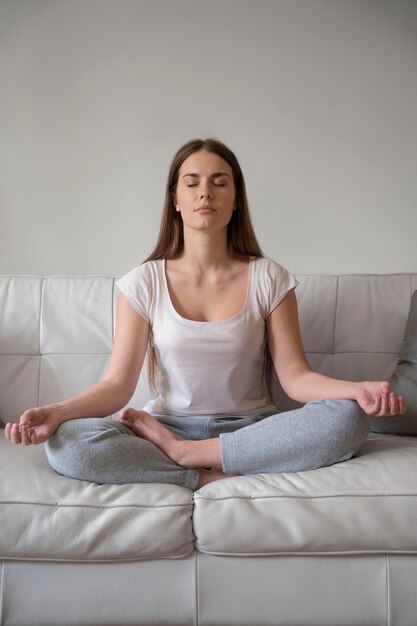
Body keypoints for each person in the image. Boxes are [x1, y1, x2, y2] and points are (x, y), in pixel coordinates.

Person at [5, 138, 406, 490]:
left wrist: (355, 391)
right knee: (69, 444)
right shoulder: (142, 282)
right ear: (175, 200)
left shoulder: (269, 277)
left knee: (348, 419)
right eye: (192, 183)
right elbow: (116, 386)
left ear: (235, 200)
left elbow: (296, 379)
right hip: (165, 427)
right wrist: (55, 414)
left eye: (220, 182)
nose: (205, 193)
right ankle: (199, 470)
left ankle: (189, 454)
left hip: (251, 429)